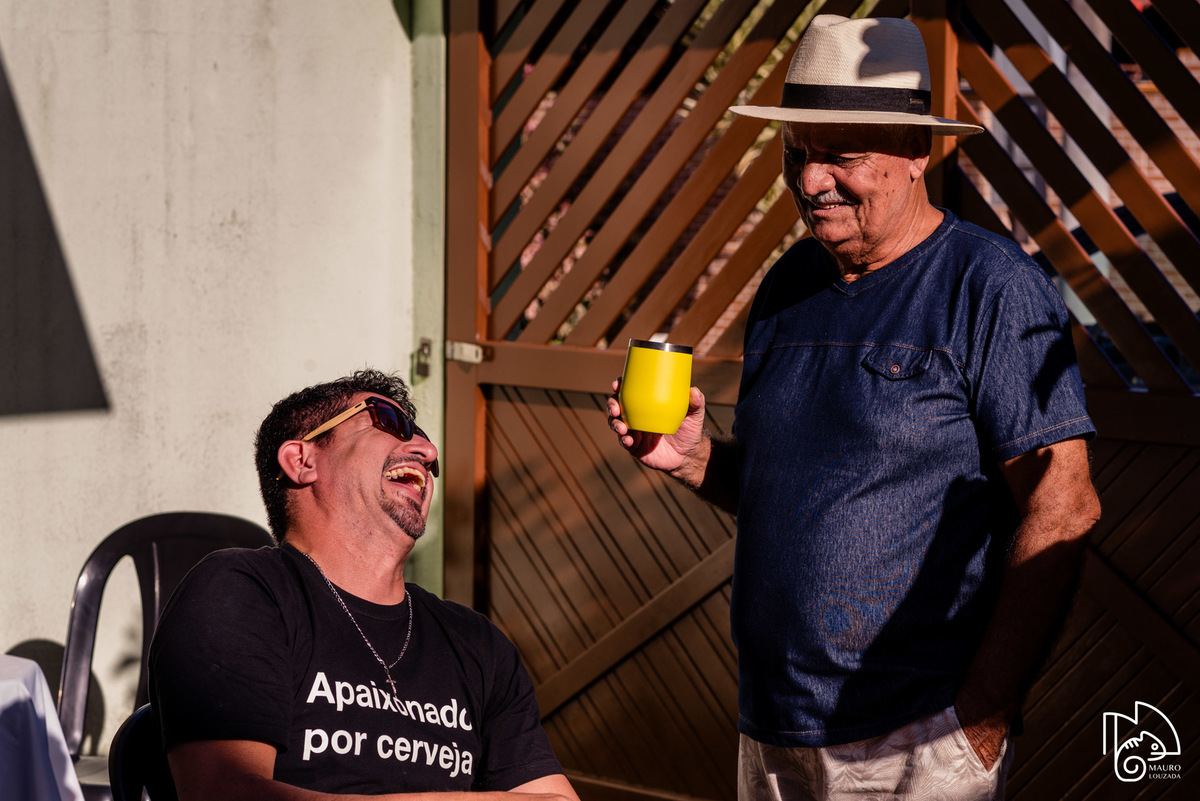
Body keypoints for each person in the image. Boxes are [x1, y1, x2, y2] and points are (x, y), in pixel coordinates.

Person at [608, 15, 1101, 801]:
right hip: (773, 732)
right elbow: (798, 494)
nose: (810, 181)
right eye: (796, 152)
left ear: (915, 151)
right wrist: (697, 459)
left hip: (916, 740)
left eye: (840, 155)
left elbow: (1064, 501)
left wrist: (981, 717)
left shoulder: (989, 287)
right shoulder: (787, 286)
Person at [150, 369, 578, 801]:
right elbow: (224, 793)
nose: (428, 452)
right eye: (390, 422)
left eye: (426, 441)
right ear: (302, 461)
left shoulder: (477, 642)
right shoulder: (243, 593)